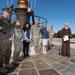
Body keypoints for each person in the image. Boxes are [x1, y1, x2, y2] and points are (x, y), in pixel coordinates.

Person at [0, 8, 13, 72]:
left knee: (8, 52)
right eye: (8, 12)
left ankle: (7, 63)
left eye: (9, 12)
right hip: (2, 39)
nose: (9, 13)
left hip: (9, 39)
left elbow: (10, 28)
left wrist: (11, 34)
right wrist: (6, 34)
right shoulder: (1, 19)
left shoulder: (8, 20)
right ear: (4, 11)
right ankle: (0, 67)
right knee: (2, 53)